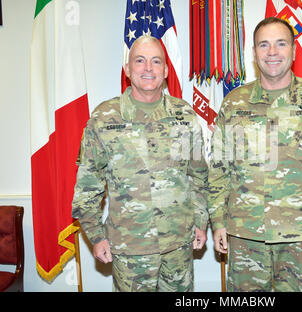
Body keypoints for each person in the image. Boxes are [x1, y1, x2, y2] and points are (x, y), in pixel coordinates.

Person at [208, 17, 302, 292]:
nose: (272, 52)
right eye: (264, 45)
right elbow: (218, 168)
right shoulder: (234, 103)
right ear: (254, 53)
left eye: (280, 43)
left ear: (294, 50)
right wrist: (217, 222)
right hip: (245, 236)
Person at [72, 36, 208, 292]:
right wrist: (96, 236)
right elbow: (87, 186)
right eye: (140, 61)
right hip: (129, 251)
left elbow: (198, 176)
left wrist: (201, 220)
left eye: (156, 61)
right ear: (127, 69)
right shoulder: (104, 118)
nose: (148, 68)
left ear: (166, 71)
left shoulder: (185, 115)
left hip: (178, 247)